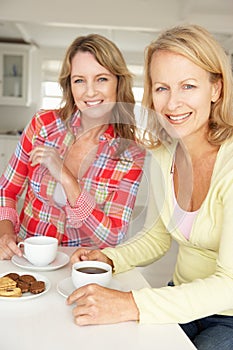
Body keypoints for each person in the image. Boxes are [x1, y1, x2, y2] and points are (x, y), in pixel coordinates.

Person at [67, 25, 233, 350]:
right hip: (179, 297)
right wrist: (108, 258)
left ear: (216, 88)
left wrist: (131, 303)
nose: (172, 103)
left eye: (188, 85)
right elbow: (157, 237)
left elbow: (230, 285)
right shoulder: (163, 153)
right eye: (162, 88)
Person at [0, 34, 145, 260]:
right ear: (69, 85)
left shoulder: (130, 155)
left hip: (80, 269)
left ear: (119, 82)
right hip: (28, 260)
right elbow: (7, 190)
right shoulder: (43, 125)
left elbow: (112, 237)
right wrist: (5, 234)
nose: (90, 92)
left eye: (101, 79)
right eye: (79, 80)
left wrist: (65, 177)